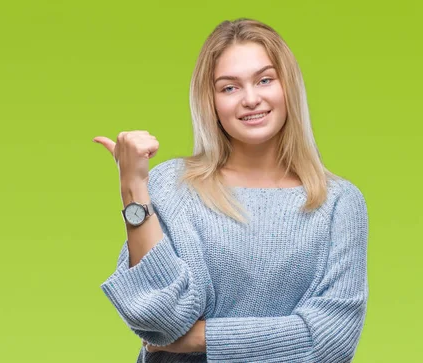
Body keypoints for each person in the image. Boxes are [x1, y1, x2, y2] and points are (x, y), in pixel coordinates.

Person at [93, 18, 368, 363]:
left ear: (288, 88)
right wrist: (132, 188)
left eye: (265, 80)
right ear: (211, 102)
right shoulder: (173, 186)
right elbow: (157, 319)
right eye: (229, 88)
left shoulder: (339, 203)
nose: (251, 99)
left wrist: (201, 338)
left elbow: (331, 341)